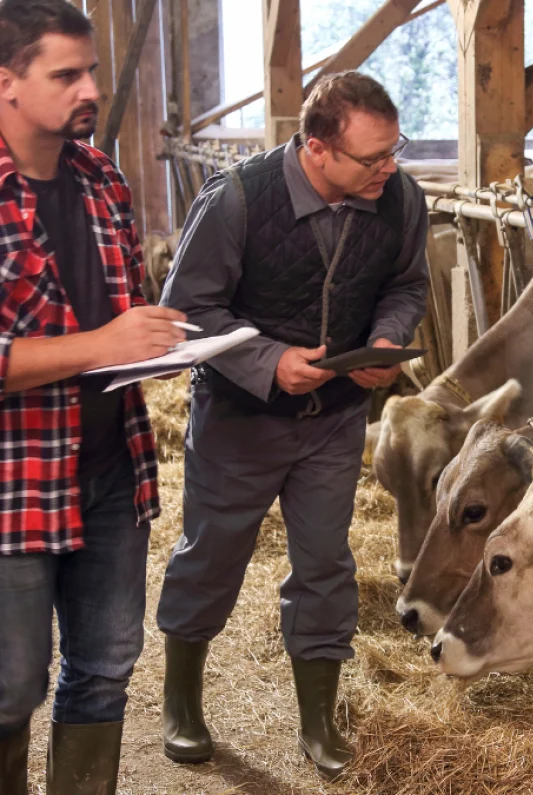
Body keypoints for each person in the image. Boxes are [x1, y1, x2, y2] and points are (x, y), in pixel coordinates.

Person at [156, 71, 430, 780]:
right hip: (239, 419)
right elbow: (187, 311)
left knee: (326, 564)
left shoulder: (400, 198)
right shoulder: (237, 199)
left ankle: (318, 718)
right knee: (211, 556)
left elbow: (405, 285)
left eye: (394, 149)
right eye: (372, 157)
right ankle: (181, 702)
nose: (388, 167)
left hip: (332, 420)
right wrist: (269, 361)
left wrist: (387, 340)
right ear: (316, 149)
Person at [0, 1, 192, 793]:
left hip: (113, 466)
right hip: (15, 482)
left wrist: (159, 346)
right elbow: (96, 341)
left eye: (92, 71)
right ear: (6, 83)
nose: (90, 90)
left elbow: (122, 313)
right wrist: (104, 346)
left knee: (107, 664)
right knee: (10, 684)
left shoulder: (102, 179)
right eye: (66, 75)